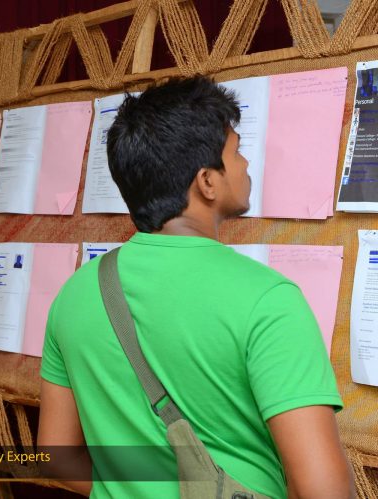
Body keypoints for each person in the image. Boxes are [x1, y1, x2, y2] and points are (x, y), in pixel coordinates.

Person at [38, 77, 354, 498]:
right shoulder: (268, 300)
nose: (245, 164)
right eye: (236, 151)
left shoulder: (75, 294)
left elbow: (56, 457)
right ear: (207, 182)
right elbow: (323, 491)